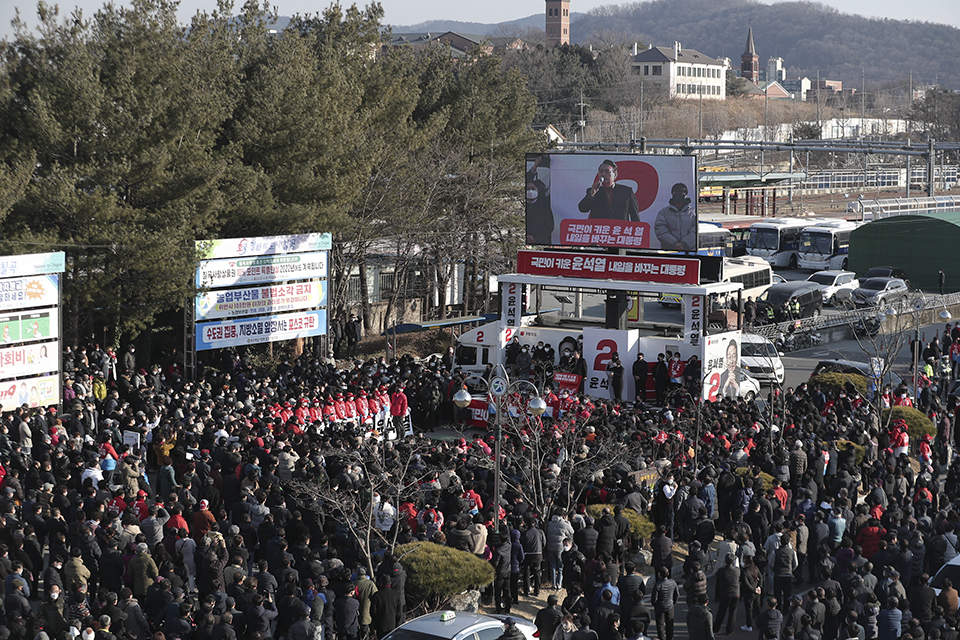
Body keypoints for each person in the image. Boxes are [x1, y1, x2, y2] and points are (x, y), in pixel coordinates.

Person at [654, 183, 696, 251]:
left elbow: (696, 230)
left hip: (689, 251)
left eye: (681, 192)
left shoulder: (694, 213)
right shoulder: (663, 212)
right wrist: (674, 243)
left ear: (686, 194)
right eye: (676, 192)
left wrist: (684, 244)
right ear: (672, 194)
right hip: (669, 251)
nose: (679, 194)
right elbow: (660, 230)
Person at [651, 566, 679, 640]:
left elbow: (654, 599)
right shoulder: (673, 582)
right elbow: (677, 594)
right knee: (670, 623)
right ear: (668, 574)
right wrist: (674, 603)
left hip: (660, 607)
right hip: (670, 605)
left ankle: (662, 638)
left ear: (659, 574)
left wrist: (655, 604)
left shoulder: (657, 585)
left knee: (660, 625)